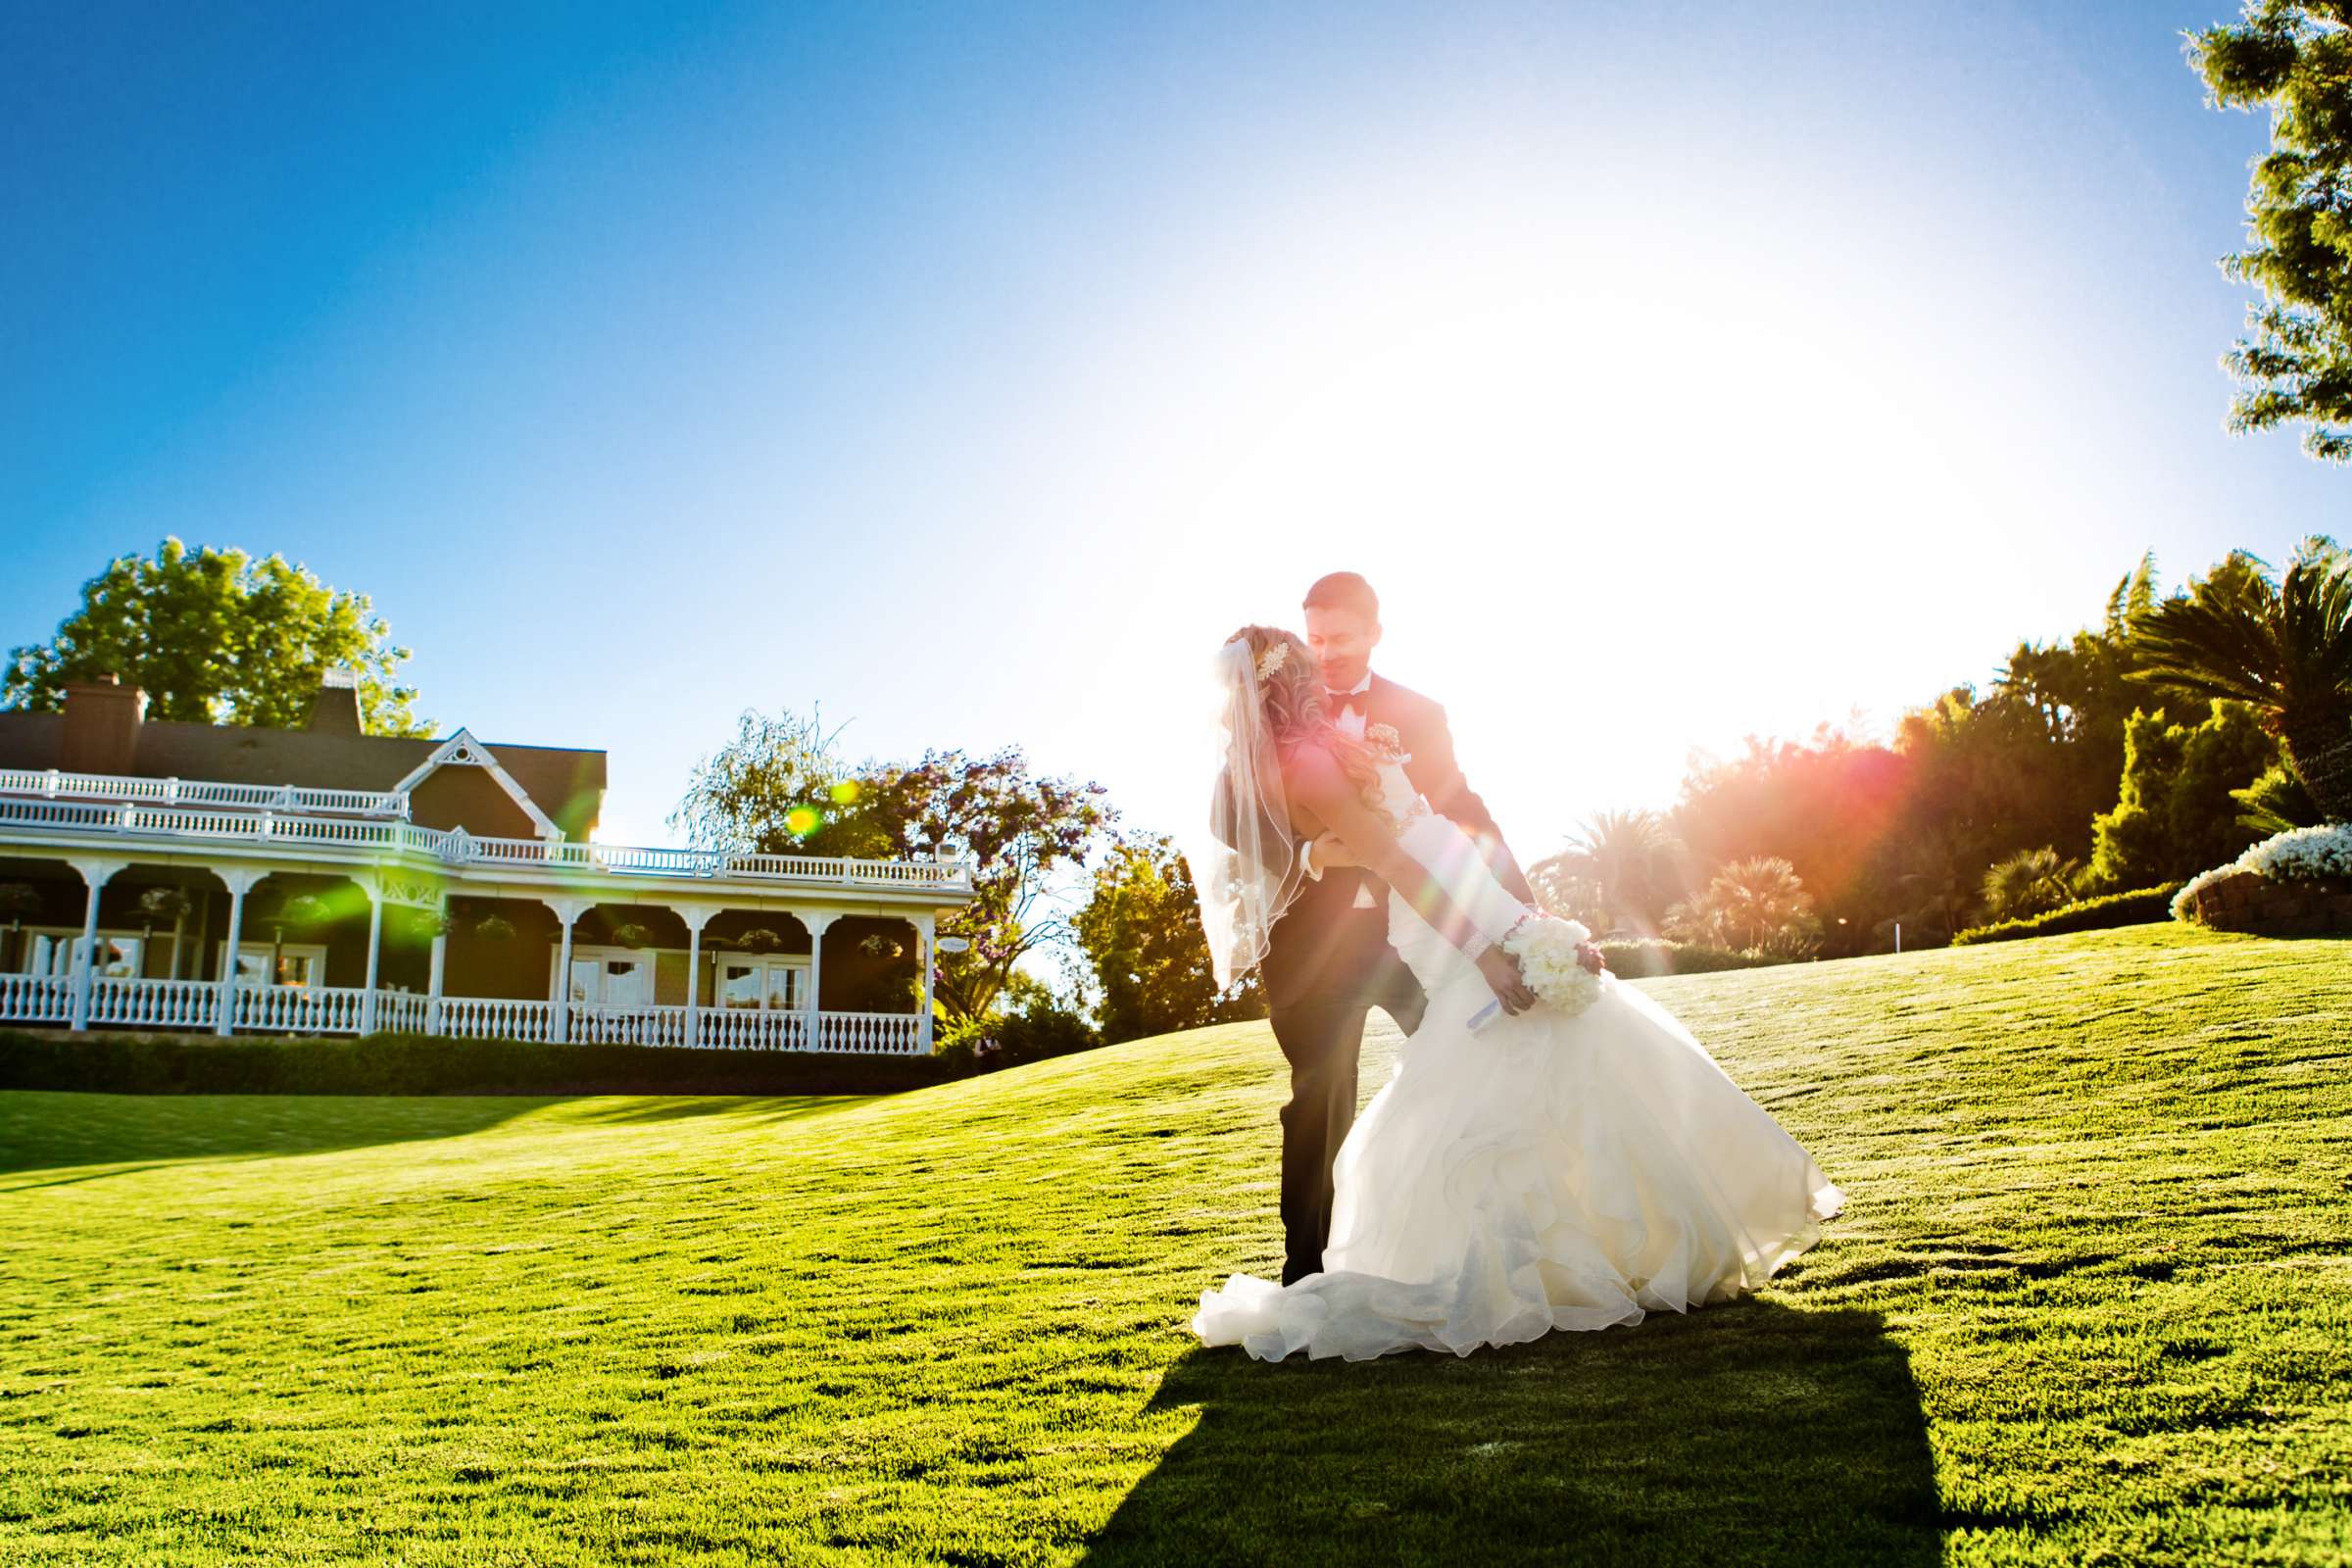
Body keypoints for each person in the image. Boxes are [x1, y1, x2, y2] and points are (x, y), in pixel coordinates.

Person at [1184, 623, 1842, 1361]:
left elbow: (1410, 830)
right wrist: (1483, 947)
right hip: (1440, 912)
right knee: (1501, 1056)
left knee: (1540, 1050)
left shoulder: (1311, 749)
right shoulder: (1293, 764)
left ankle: (1586, 1243)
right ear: (1283, 682)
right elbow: (1393, 861)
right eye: (1304, 666)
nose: (1319, 674)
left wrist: (1516, 913)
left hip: (1460, 888)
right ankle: (1544, 1257)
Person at [1238, 571, 1534, 1289]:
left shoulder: (1418, 711)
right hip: (1313, 950)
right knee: (1320, 1099)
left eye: (1339, 637)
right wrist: (1309, 852)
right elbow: (1230, 815)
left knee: (1473, 1070)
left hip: (1418, 939)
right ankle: (1307, 1272)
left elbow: (1463, 808)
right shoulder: (1265, 727)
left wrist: (1525, 907)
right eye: (1313, 638)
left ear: (1375, 632)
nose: (1325, 651)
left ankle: (1497, 1241)